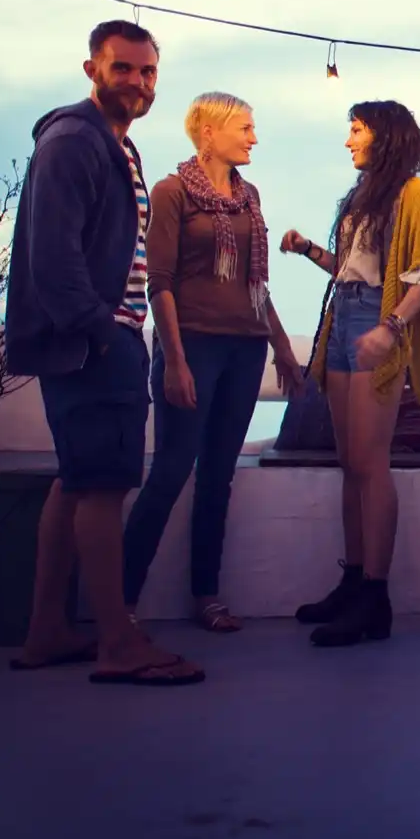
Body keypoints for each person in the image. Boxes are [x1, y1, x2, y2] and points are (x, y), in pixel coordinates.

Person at [2, 19, 203, 685]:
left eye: (148, 72)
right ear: (91, 68)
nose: (139, 84)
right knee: (104, 486)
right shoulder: (72, 142)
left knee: (77, 479)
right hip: (95, 341)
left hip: (99, 336)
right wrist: (102, 332)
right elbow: (53, 257)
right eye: (124, 69)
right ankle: (117, 640)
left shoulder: (120, 147)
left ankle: (47, 631)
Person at [121, 93, 307, 632]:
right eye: (245, 129)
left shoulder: (249, 196)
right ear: (208, 132)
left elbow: (256, 284)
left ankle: (206, 595)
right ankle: (123, 605)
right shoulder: (172, 193)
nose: (253, 138)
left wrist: (283, 349)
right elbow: (160, 283)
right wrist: (174, 360)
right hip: (194, 345)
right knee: (173, 469)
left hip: (245, 348)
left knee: (219, 476)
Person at [279, 101, 420, 648]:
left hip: (380, 318)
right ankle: (353, 582)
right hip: (347, 314)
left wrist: (391, 328)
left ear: (385, 135)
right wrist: (307, 250)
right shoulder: (361, 196)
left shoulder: (416, 193)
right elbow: (352, 269)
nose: (348, 141)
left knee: (372, 465)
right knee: (350, 464)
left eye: (356, 130)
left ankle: (376, 596)